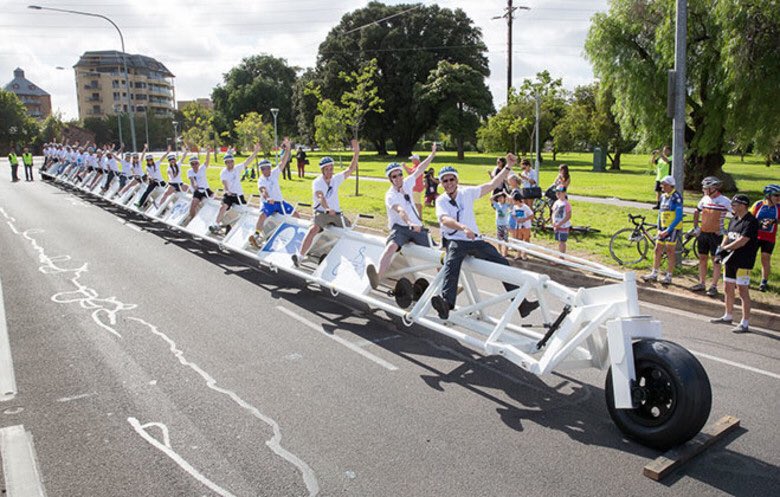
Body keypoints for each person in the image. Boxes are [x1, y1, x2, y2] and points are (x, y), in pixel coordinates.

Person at [429, 157, 539, 321]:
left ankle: (522, 304)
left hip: (474, 240)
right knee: (452, 264)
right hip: (456, 240)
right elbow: (444, 220)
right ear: (441, 183)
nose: (449, 183)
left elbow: (492, 185)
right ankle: (446, 303)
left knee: (502, 262)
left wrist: (508, 167)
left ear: (457, 180)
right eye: (445, 180)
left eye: (451, 179)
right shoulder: (441, 200)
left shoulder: (467, 192)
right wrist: (463, 227)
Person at [365, 144, 437, 289]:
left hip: (416, 227)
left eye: (399, 174)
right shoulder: (390, 195)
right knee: (391, 247)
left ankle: (446, 285)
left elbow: (420, 169)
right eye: (394, 176)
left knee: (436, 254)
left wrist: (432, 155)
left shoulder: (408, 183)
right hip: (401, 228)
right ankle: (377, 278)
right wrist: (410, 222)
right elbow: (400, 210)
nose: (398, 178)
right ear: (390, 179)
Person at [292, 139, 359, 267]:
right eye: (327, 169)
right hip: (322, 213)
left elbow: (350, 169)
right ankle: (299, 257)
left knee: (349, 231)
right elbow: (320, 196)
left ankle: (351, 260)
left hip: (336, 214)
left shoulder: (335, 179)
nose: (330, 171)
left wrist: (356, 153)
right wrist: (327, 209)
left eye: (331, 168)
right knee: (313, 229)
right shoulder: (317, 182)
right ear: (322, 170)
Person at [710, 194, 759, 333]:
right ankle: (728, 315)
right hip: (730, 260)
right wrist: (721, 248)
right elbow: (727, 235)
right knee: (727, 287)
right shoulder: (734, 219)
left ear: (743, 205)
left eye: (735, 205)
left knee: (743, 290)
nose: (732, 207)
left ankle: (745, 322)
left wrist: (725, 248)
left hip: (744, 261)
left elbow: (742, 241)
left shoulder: (751, 221)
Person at [248, 138, 299, 247]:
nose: (266, 170)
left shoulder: (274, 173)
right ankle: (256, 235)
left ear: (270, 168)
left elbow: (284, 161)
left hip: (279, 202)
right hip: (269, 203)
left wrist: (288, 149)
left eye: (267, 168)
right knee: (262, 215)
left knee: (296, 214)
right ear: (261, 170)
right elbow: (263, 190)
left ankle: (297, 236)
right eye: (263, 169)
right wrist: (267, 199)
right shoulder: (261, 179)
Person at [690, 176, 731, 296]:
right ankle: (702, 283)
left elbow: (736, 216)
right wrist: (696, 227)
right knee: (702, 258)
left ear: (714, 188)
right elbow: (697, 211)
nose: (704, 190)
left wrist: (726, 231)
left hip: (716, 235)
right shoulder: (704, 199)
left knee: (715, 260)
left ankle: (713, 286)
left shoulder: (725, 201)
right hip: (703, 233)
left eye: (706, 188)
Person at [642, 175, 683, 285]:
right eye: (662, 184)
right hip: (663, 227)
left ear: (670, 185)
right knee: (657, 249)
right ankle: (654, 273)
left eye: (664, 185)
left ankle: (669, 275)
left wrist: (668, 229)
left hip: (673, 228)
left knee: (670, 251)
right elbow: (660, 213)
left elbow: (679, 216)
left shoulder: (676, 197)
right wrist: (659, 228)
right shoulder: (663, 196)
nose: (662, 186)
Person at [209, 144, 259, 233]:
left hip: (238, 195)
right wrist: (227, 191)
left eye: (231, 161)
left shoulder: (237, 168)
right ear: (225, 163)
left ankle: (234, 227)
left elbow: (248, 161)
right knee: (223, 207)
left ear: (233, 162)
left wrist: (256, 151)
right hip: (229, 195)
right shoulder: (223, 173)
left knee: (244, 211)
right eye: (227, 162)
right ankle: (216, 224)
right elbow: (225, 184)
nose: (229, 164)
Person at [750, 184, 780, 292]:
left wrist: (774, 221)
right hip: (755, 236)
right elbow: (749, 217)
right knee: (750, 257)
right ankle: (744, 278)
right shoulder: (758, 204)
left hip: (769, 238)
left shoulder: (779, 207)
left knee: (765, 258)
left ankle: (764, 282)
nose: (778, 198)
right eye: (776, 195)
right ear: (768, 195)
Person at [186, 149, 212, 221]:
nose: (194, 165)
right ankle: (192, 220)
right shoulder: (190, 171)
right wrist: (195, 186)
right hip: (198, 191)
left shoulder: (202, 168)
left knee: (217, 201)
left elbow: (207, 161)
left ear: (199, 163)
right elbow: (192, 180)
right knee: (192, 206)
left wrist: (208, 151)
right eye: (192, 164)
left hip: (206, 190)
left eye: (196, 163)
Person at [511, 192, 534, 260]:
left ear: (517, 200)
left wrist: (524, 219)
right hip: (518, 226)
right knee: (519, 239)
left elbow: (532, 215)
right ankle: (518, 254)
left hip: (526, 226)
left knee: (526, 239)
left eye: (514, 200)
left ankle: (525, 254)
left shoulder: (525, 207)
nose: (513, 202)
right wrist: (516, 219)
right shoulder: (515, 207)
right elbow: (513, 215)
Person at [403, 153, 425, 221]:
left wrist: (405, 166)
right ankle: (418, 215)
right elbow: (411, 170)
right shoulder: (416, 166)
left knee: (416, 203)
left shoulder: (418, 167)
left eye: (412, 159)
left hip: (416, 188)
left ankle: (420, 216)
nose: (412, 161)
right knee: (415, 202)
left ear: (416, 160)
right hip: (415, 187)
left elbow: (410, 173)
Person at [551, 186, 572, 254]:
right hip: (557, 225)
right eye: (557, 193)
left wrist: (560, 223)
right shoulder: (556, 202)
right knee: (559, 241)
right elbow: (553, 213)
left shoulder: (566, 204)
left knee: (562, 241)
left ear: (564, 193)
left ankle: (561, 256)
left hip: (564, 225)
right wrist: (554, 222)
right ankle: (560, 254)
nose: (558, 194)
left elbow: (568, 216)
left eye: (560, 193)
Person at [492, 191, 511, 257]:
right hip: (498, 224)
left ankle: (505, 252)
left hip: (505, 224)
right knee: (499, 239)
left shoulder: (506, 205)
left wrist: (505, 193)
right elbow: (491, 199)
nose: (500, 199)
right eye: (498, 198)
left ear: (504, 198)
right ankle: (500, 252)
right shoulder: (496, 204)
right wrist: (498, 193)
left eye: (501, 198)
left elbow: (511, 199)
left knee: (506, 239)